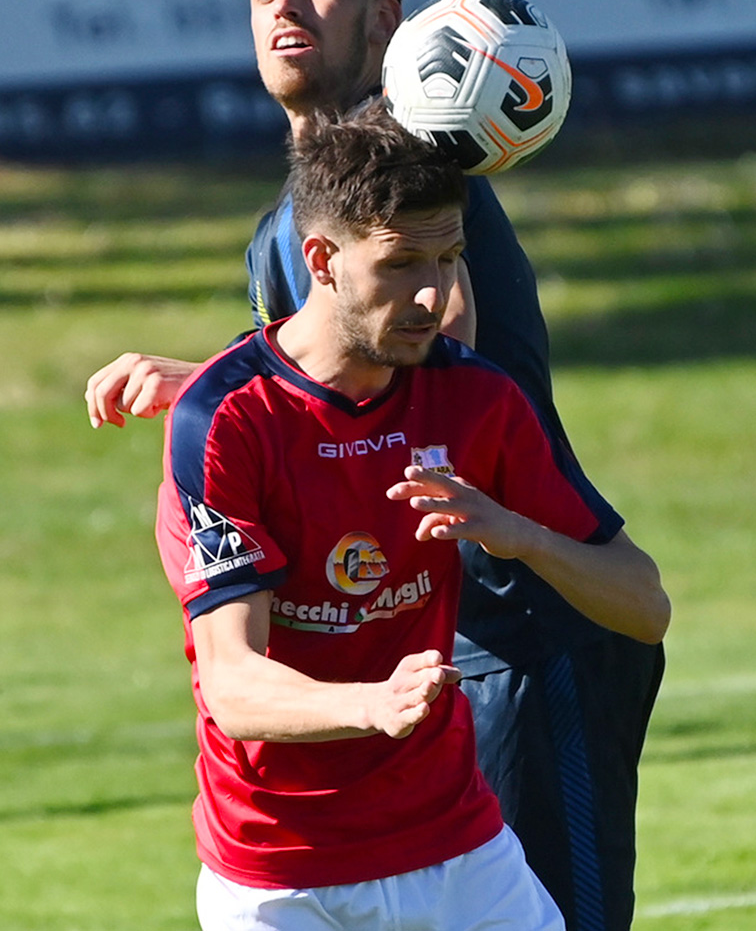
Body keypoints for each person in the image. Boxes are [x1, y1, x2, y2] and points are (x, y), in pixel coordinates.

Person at [85, 0, 667, 930]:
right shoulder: (298, 216)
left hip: (537, 628)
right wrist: (208, 383)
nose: (286, 6)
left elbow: (445, 380)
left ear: (392, 21)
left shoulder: (428, 178)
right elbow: (319, 371)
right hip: (434, 634)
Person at [156, 102, 670, 931]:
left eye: (450, 258)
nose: (433, 295)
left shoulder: (472, 397)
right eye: (401, 264)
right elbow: (232, 686)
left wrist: (523, 536)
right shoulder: (225, 421)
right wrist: (372, 703)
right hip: (285, 872)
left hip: (455, 843)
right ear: (320, 258)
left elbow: (644, 608)